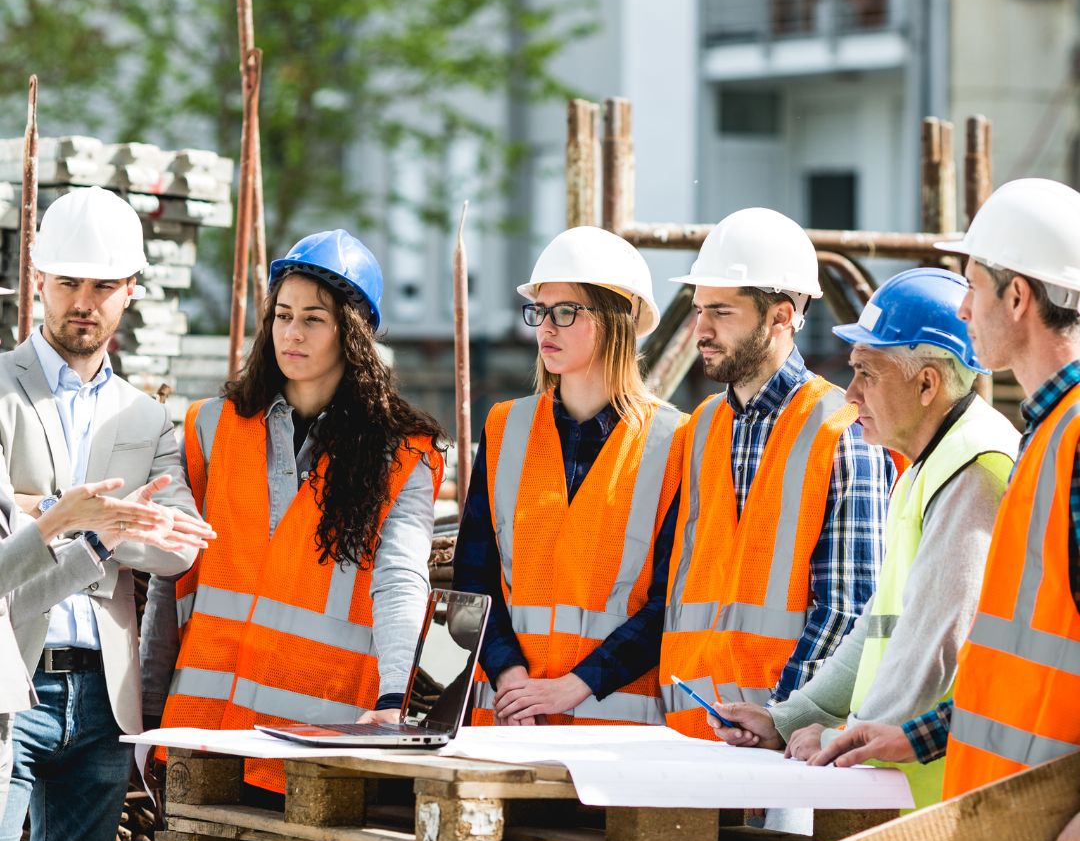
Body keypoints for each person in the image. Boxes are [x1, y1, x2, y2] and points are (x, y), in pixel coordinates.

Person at [813, 178, 1080, 841]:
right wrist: (918, 735)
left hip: (1039, 813)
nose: (964, 310)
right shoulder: (1048, 437)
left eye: (973, 287)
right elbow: (1016, 668)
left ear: (1019, 298)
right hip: (1025, 804)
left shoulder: (1067, 440)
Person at [141, 229, 446, 800]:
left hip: (322, 738)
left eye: (313, 319)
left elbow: (401, 580)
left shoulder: (401, 454)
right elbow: (171, 579)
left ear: (352, 332)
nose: (291, 333)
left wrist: (391, 699)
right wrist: (151, 711)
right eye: (282, 315)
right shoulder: (212, 427)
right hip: (206, 731)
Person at [706, 268, 1018, 809]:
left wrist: (845, 736)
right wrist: (791, 719)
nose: (850, 395)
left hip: (954, 801)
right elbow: (878, 630)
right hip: (918, 791)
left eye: (867, 374)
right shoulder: (931, 464)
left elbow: (934, 647)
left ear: (927, 383)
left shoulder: (973, 468)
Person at [0, 187, 212, 841]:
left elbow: (180, 546)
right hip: (10, 681)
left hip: (101, 698)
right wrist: (90, 516)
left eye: (101, 287)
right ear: (40, 281)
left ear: (130, 293)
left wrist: (45, 513)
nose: (82, 303)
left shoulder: (148, 417)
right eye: (69, 284)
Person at [659, 207, 894, 741]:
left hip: (788, 742)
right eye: (699, 310)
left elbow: (847, 608)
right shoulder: (700, 429)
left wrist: (782, 717)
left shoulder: (842, 430)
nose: (701, 330)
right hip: (689, 733)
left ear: (781, 316)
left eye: (721, 311)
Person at [455, 225, 686, 726]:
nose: (545, 329)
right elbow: (472, 578)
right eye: (539, 311)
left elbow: (670, 602)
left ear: (616, 319)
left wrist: (574, 687)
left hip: (615, 736)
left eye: (566, 312)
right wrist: (509, 675)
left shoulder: (677, 443)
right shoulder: (505, 427)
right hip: (507, 723)